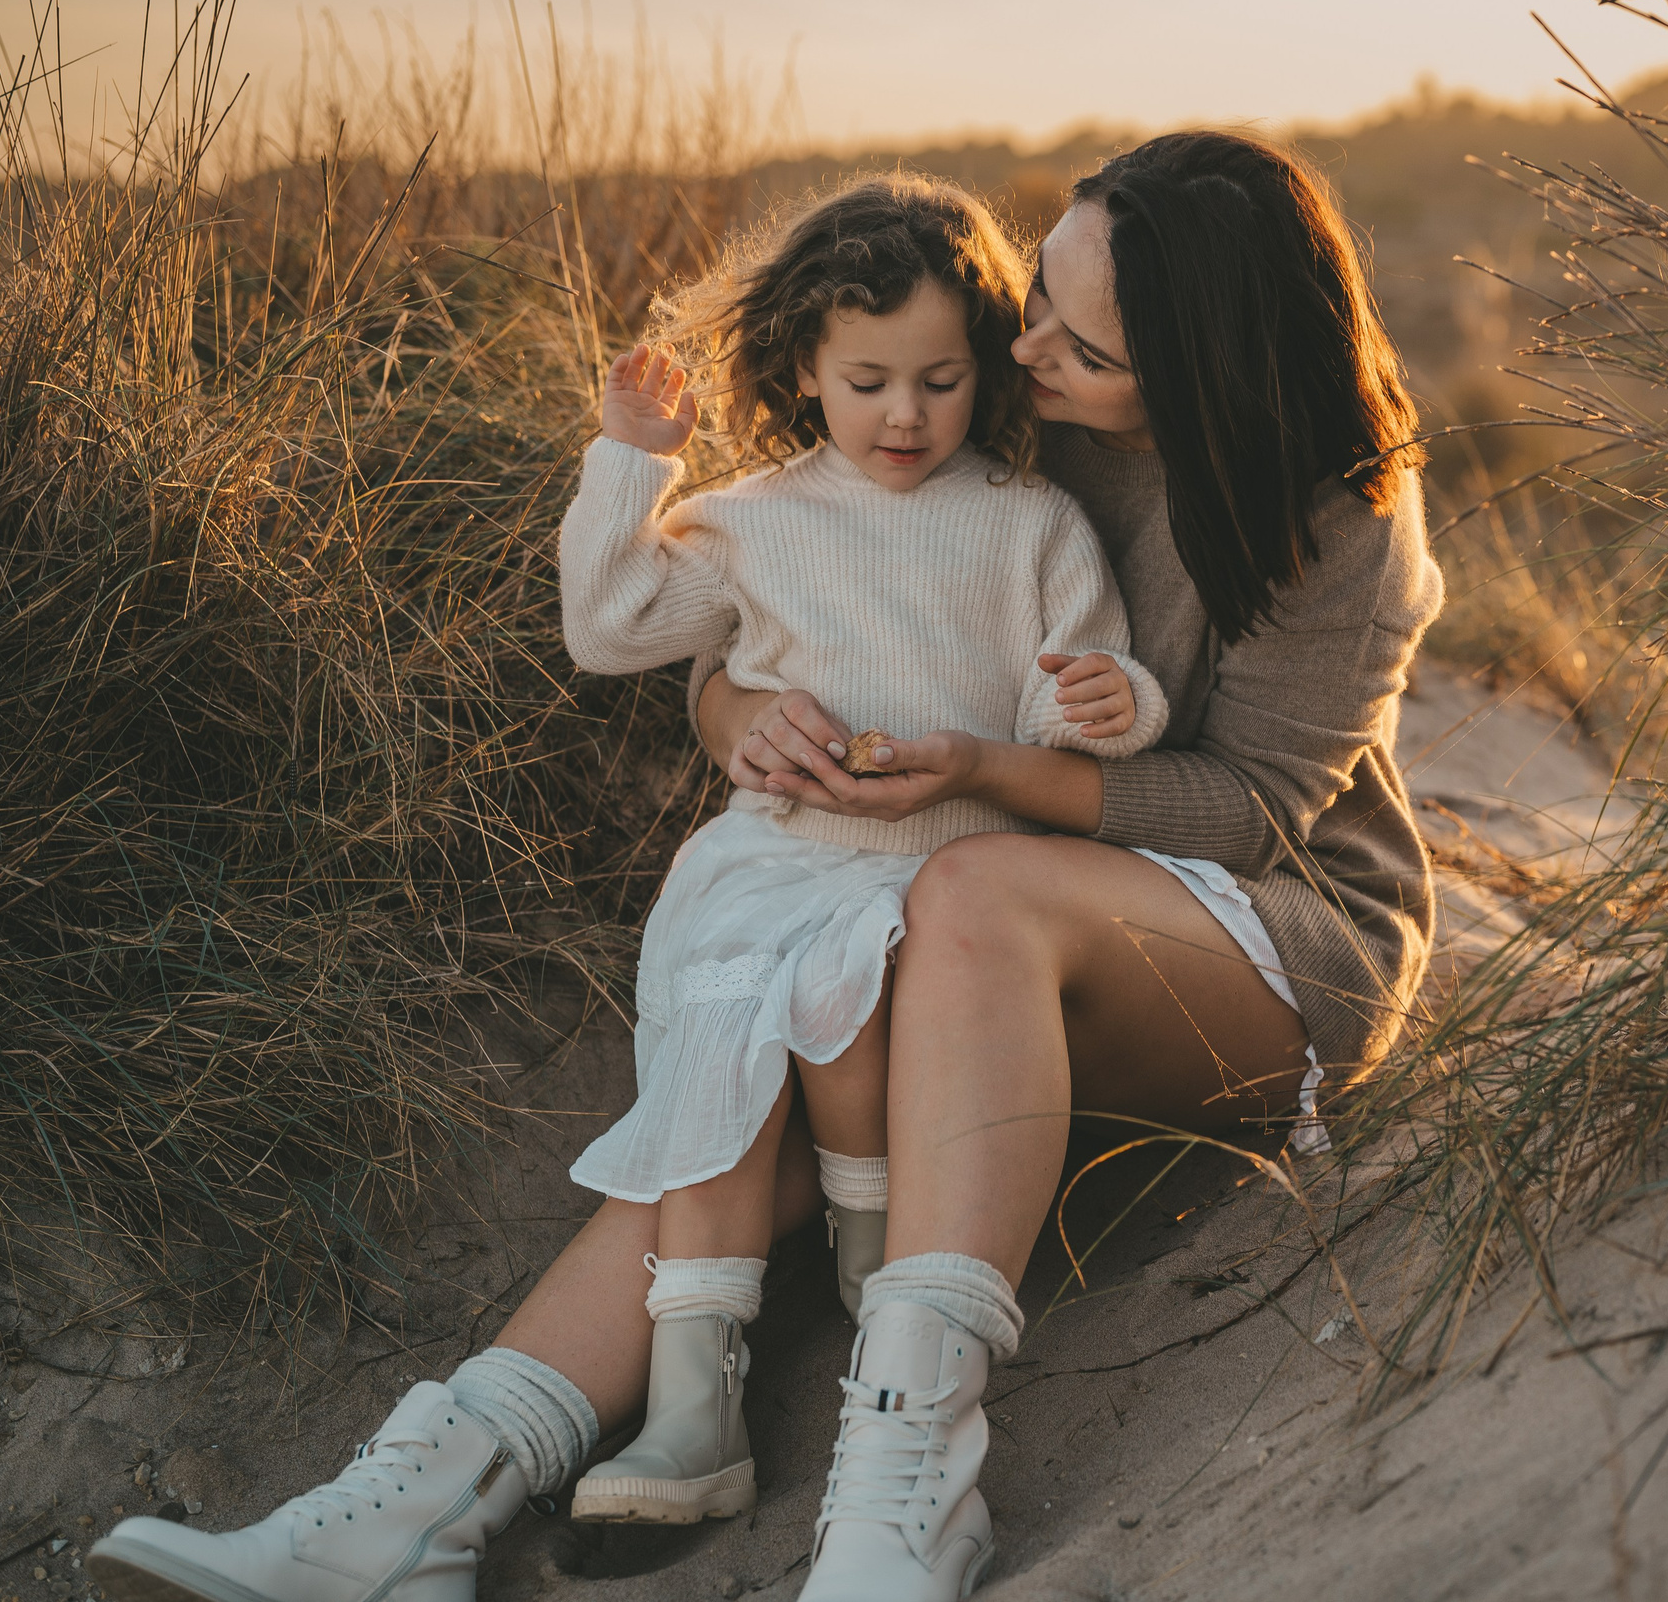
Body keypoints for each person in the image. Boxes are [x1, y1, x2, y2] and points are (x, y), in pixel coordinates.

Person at [89, 130, 1443, 1602]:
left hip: (1256, 935)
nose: (1025, 345)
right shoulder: (991, 402)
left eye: (1084, 345)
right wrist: (739, 714)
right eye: (1038, 296)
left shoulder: (1342, 515)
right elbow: (820, 604)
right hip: (968, 910)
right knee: (765, 1045)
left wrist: (989, 767)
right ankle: (419, 1506)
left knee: (960, 901)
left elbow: (1252, 813)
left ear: (1194, 376)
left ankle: (904, 1488)